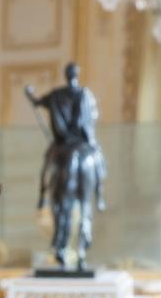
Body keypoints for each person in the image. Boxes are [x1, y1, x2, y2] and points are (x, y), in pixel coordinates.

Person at [25, 62, 106, 270]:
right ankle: (99, 193)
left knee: (60, 196)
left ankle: (43, 195)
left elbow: (37, 102)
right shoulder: (84, 94)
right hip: (81, 143)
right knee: (97, 160)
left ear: (65, 75)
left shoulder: (56, 95)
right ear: (76, 75)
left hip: (62, 146)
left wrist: (30, 94)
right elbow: (91, 117)